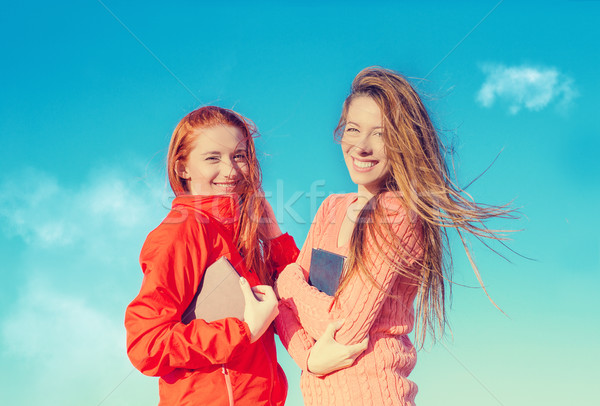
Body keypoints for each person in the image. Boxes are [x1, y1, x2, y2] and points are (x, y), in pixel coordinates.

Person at [275, 67, 515, 405]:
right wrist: (310, 359)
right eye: (354, 129)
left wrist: (286, 281)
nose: (362, 146)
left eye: (381, 134)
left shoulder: (397, 213)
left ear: (404, 142)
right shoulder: (331, 207)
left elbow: (342, 326)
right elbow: (281, 312)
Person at [124, 106, 300, 406]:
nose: (231, 171)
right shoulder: (182, 232)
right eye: (212, 158)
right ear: (183, 168)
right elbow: (146, 344)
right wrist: (243, 330)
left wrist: (273, 235)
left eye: (239, 156)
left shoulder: (239, 236)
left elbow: (300, 299)